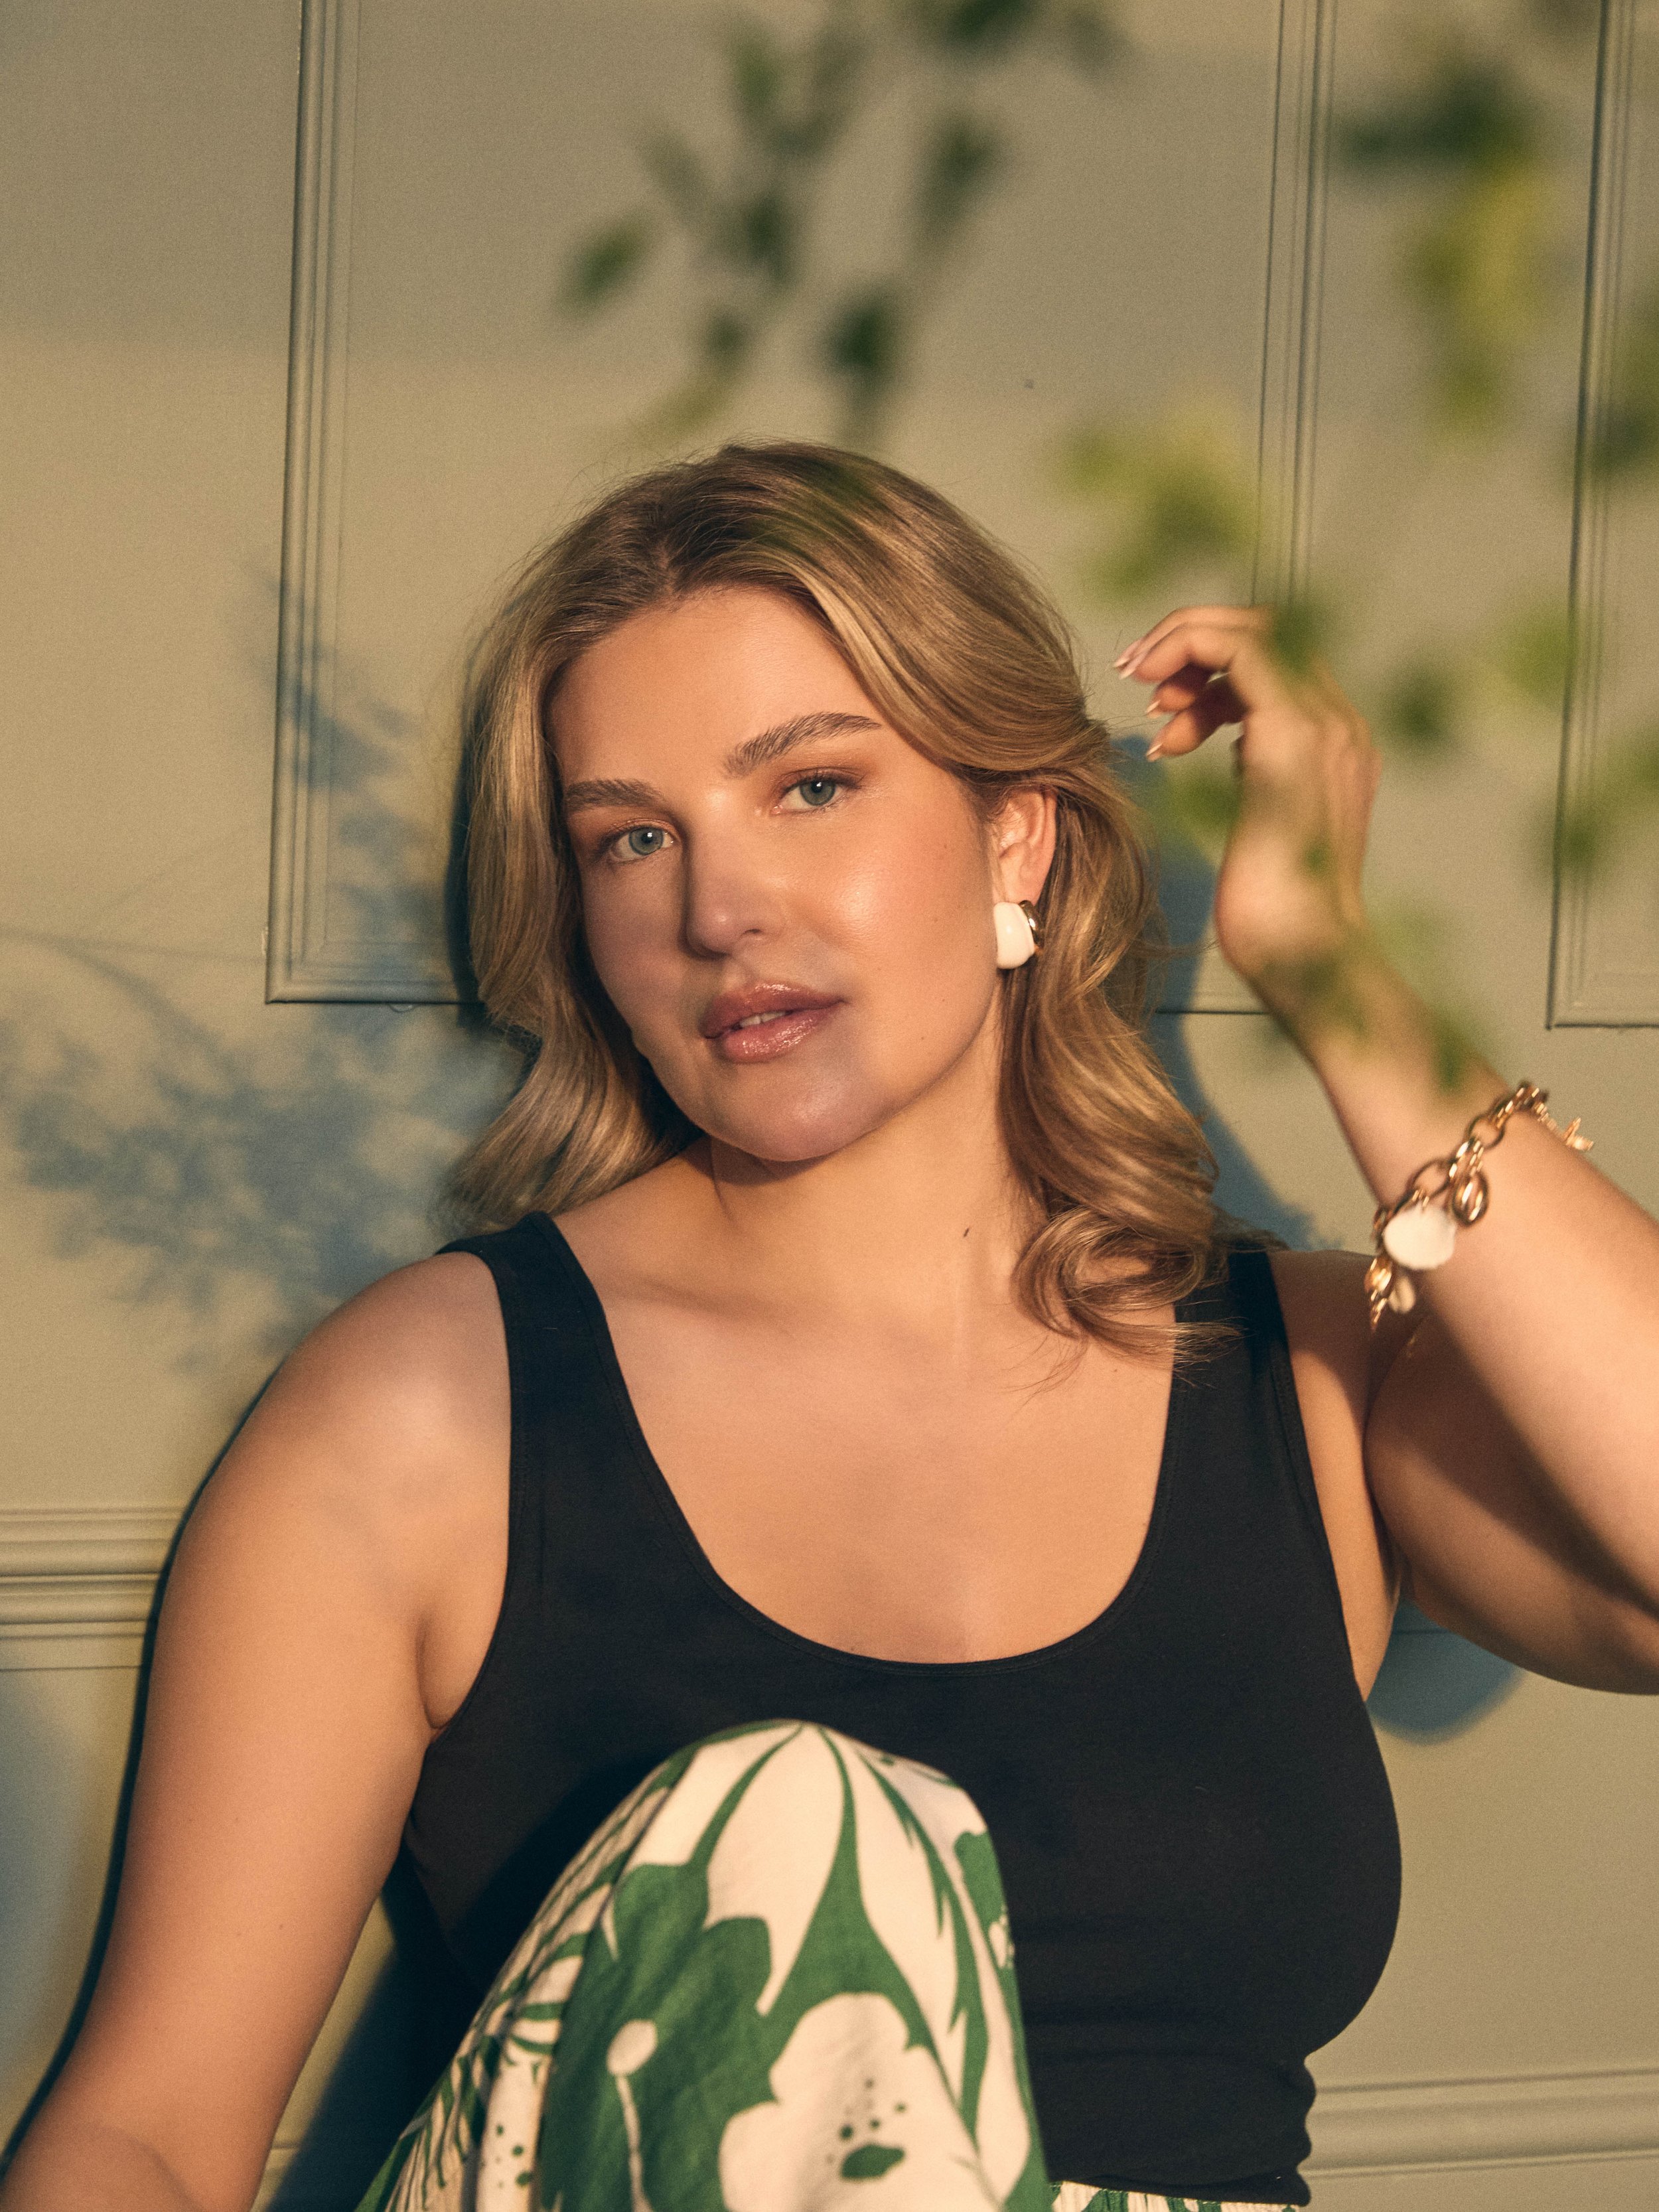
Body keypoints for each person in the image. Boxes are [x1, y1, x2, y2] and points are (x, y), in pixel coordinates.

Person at [6, 442, 1658, 2212]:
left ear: (1012, 830)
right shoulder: (431, 1409)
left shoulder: (1309, 1377)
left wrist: (1323, 955)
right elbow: (148, 2137)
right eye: (631, 838)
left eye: (807, 788)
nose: (715, 911)